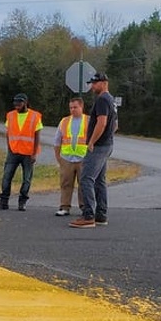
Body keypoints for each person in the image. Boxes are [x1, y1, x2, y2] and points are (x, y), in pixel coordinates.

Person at [69, 72, 117, 228]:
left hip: (99, 146)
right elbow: (115, 124)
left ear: (103, 83)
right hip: (107, 144)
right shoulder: (111, 100)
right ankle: (101, 214)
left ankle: (88, 215)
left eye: (95, 83)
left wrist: (92, 142)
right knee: (99, 181)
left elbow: (102, 123)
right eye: (92, 83)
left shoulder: (102, 99)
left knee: (86, 178)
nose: (92, 86)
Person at [0, 93, 43, 211]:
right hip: (13, 152)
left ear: (25, 103)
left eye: (19, 102)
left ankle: (22, 202)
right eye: (15, 102)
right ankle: (4, 201)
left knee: (26, 179)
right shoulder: (10, 115)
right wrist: (9, 147)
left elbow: (37, 136)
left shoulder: (35, 116)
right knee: (6, 177)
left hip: (28, 153)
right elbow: (8, 133)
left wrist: (34, 153)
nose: (17, 105)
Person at [53, 97, 88, 216]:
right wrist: (59, 158)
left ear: (81, 107)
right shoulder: (64, 121)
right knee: (65, 183)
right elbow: (57, 141)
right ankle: (64, 206)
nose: (72, 110)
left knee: (84, 184)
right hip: (67, 158)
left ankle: (84, 207)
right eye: (71, 107)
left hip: (83, 158)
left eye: (75, 107)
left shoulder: (88, 120)